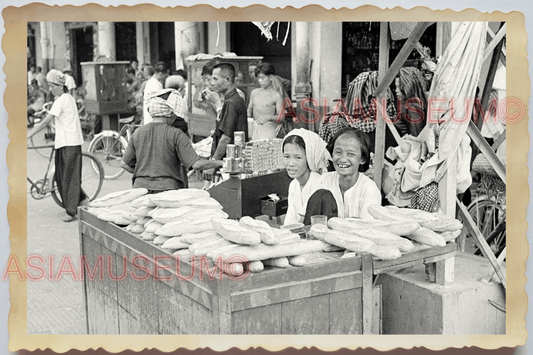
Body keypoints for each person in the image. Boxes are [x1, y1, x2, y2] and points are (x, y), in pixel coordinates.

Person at [121, 89, 223, 193]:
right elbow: (196, 164)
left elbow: (124, 164)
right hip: (168, 190)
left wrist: (142, 174)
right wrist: (220, 162)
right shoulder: (176, 134)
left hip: (139, 190)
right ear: (171, 113)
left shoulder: (138, 132)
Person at [27, 69, 87, 222]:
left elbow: (46, 121)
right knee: (62, 175)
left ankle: (71, 211)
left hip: (70, 142)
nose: (50, 89)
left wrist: (28, 135)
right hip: (64, 142)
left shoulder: (63, 100)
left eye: (52, 86)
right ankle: (82, 199)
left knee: (69, 177)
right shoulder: (64, 99)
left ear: (60, 86)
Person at [304, 127, 381, 223]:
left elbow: (367, 227)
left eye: (351, 154)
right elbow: (310, 219)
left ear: (362, 159)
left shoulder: (369, 188)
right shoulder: (325, 180)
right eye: (338, 152)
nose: (343, 159)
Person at [282, 129, 330, 226]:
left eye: (298, 158)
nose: (291, 164)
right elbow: (289, 222)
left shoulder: (319, 184)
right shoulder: (293, 185)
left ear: (309, 158)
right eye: (287, 157)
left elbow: (303, 223)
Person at [209, 62, 248, 161]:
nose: (211, 83)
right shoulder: (232, 99)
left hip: (231, 160)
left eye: (215, 79)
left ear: (227, 80)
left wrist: (213, 162)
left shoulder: (232, 102)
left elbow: (226, 137)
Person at [247, 63, 284, 140]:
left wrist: (269, 117)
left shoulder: (276, 95)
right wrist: (248, 119)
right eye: (258, 78)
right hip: (253, 130)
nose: (260, 81)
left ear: (270, 77)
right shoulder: (254, 92)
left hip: (268, 131)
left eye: (262, 78)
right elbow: (249, 109)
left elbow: (282, 117)